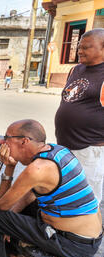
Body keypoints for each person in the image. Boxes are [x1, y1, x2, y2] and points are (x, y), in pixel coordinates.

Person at [0, 119, 102, 257]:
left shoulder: (37, 169)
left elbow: (0, 205)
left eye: (7, 139)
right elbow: (28, 196)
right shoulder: (58, 151)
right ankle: (14, 254)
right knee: (26, 203)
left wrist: (9, 167)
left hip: (72, 244)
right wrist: (7, 222)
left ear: (24, 141)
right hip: (89, 239)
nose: (3, 143)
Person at [54, 28, 104, 206]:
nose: (79, 51)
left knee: (86, 202)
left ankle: (92, 234)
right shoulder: (76, 70)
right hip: (65, 147)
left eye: (86, 47)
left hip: (90, 150)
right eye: (79, 47)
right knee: (65, 196)